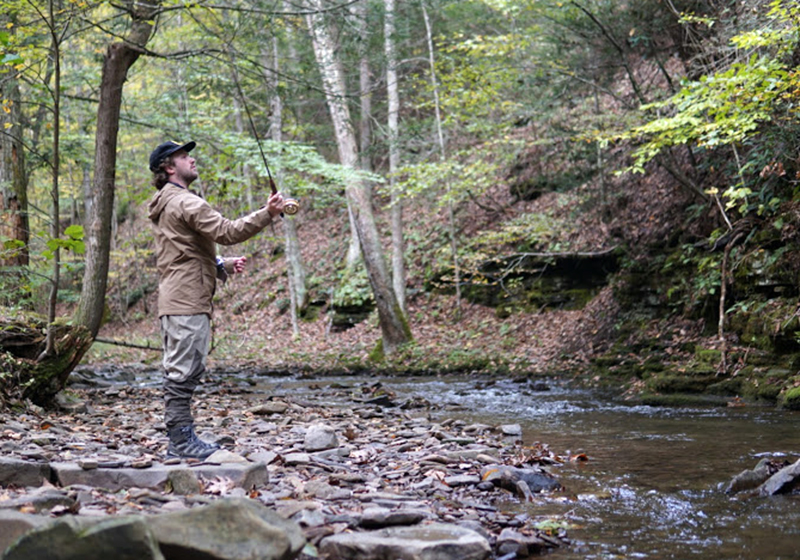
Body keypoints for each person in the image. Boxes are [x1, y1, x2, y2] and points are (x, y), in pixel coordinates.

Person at [147, 140, 285, 459]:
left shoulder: (167, 202)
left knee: (184, 368)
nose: (191, 159)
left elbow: (180, 253)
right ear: (169, 167)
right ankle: (180, 442)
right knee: (183, 372)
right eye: (184, 156)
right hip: (187, 300)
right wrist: (269, 212)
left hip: (179, 296)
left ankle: (182, 436)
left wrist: (220, 264)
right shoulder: (185, 202)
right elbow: (228, 231)